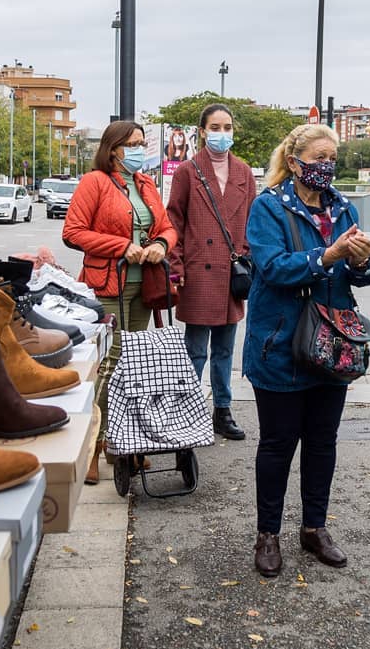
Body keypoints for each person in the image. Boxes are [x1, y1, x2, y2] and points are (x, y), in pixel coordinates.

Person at [243, 123, 370, 579]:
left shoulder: (342, 207)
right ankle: (268, 534)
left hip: (332, 345)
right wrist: (327, 256)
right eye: (319, 158)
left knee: (322, 442)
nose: (327, 166)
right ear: (294, 161)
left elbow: (366, 273)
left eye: (332, 159)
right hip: (280, 344)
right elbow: (273, 268)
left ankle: (314, 529)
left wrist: (362, 260)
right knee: (278, 444)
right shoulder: (268, 206)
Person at [62, 120, 177, 484]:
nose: (140, 150)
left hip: (145, 288)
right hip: (107, 286)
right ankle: (93, 448)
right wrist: (121, 246)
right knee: (109, 367)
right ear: (113, 150)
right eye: (133, 144)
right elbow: (73, 232)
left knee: (134, 366)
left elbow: (167, 227)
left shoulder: (145, 184)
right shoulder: (94, 182)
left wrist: (161, 245)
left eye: (143, 143)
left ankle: (124, 445)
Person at [165, 103, 257, 441]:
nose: (222, 134)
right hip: (198, 270)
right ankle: (186, 410)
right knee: (195, 350)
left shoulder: (244, 172)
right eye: (215, 128)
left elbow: (253, 222)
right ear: (202, 132)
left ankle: (222, 409)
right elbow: (174, 221)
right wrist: (176, 266)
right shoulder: (187, 171)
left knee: (224, 350)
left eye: (227, 127)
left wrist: (248, 259)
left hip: (232, 272)